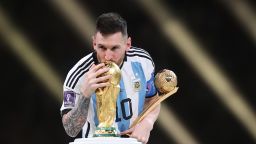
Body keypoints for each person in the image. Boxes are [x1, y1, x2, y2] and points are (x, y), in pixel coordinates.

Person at [60, 12, 160, 144]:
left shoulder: (142, 61)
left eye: (114, 48)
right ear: (94, 43)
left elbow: (152, 99)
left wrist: (147, 122)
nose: (108, 56)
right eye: (102, 47)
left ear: (128, 44)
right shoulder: (77, 75)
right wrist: (85, 94)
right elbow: (70, 129)